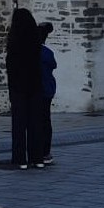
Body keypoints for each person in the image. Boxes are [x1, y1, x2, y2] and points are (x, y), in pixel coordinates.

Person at [6, 8, 49, 169]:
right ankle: (37, 157)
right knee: (35, 123)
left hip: (18, 87)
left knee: (19, 124)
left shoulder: (14, 42)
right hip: (35, 86)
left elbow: (10, 68)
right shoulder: (35, 41)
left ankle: (20, 159)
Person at [39, 22, 57, 165]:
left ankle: (36, 151)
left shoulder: (29, 51)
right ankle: (45, 152)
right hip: (45, 91)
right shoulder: (47, 52)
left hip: (35, 91)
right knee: (45, 121)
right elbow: (53, 65)